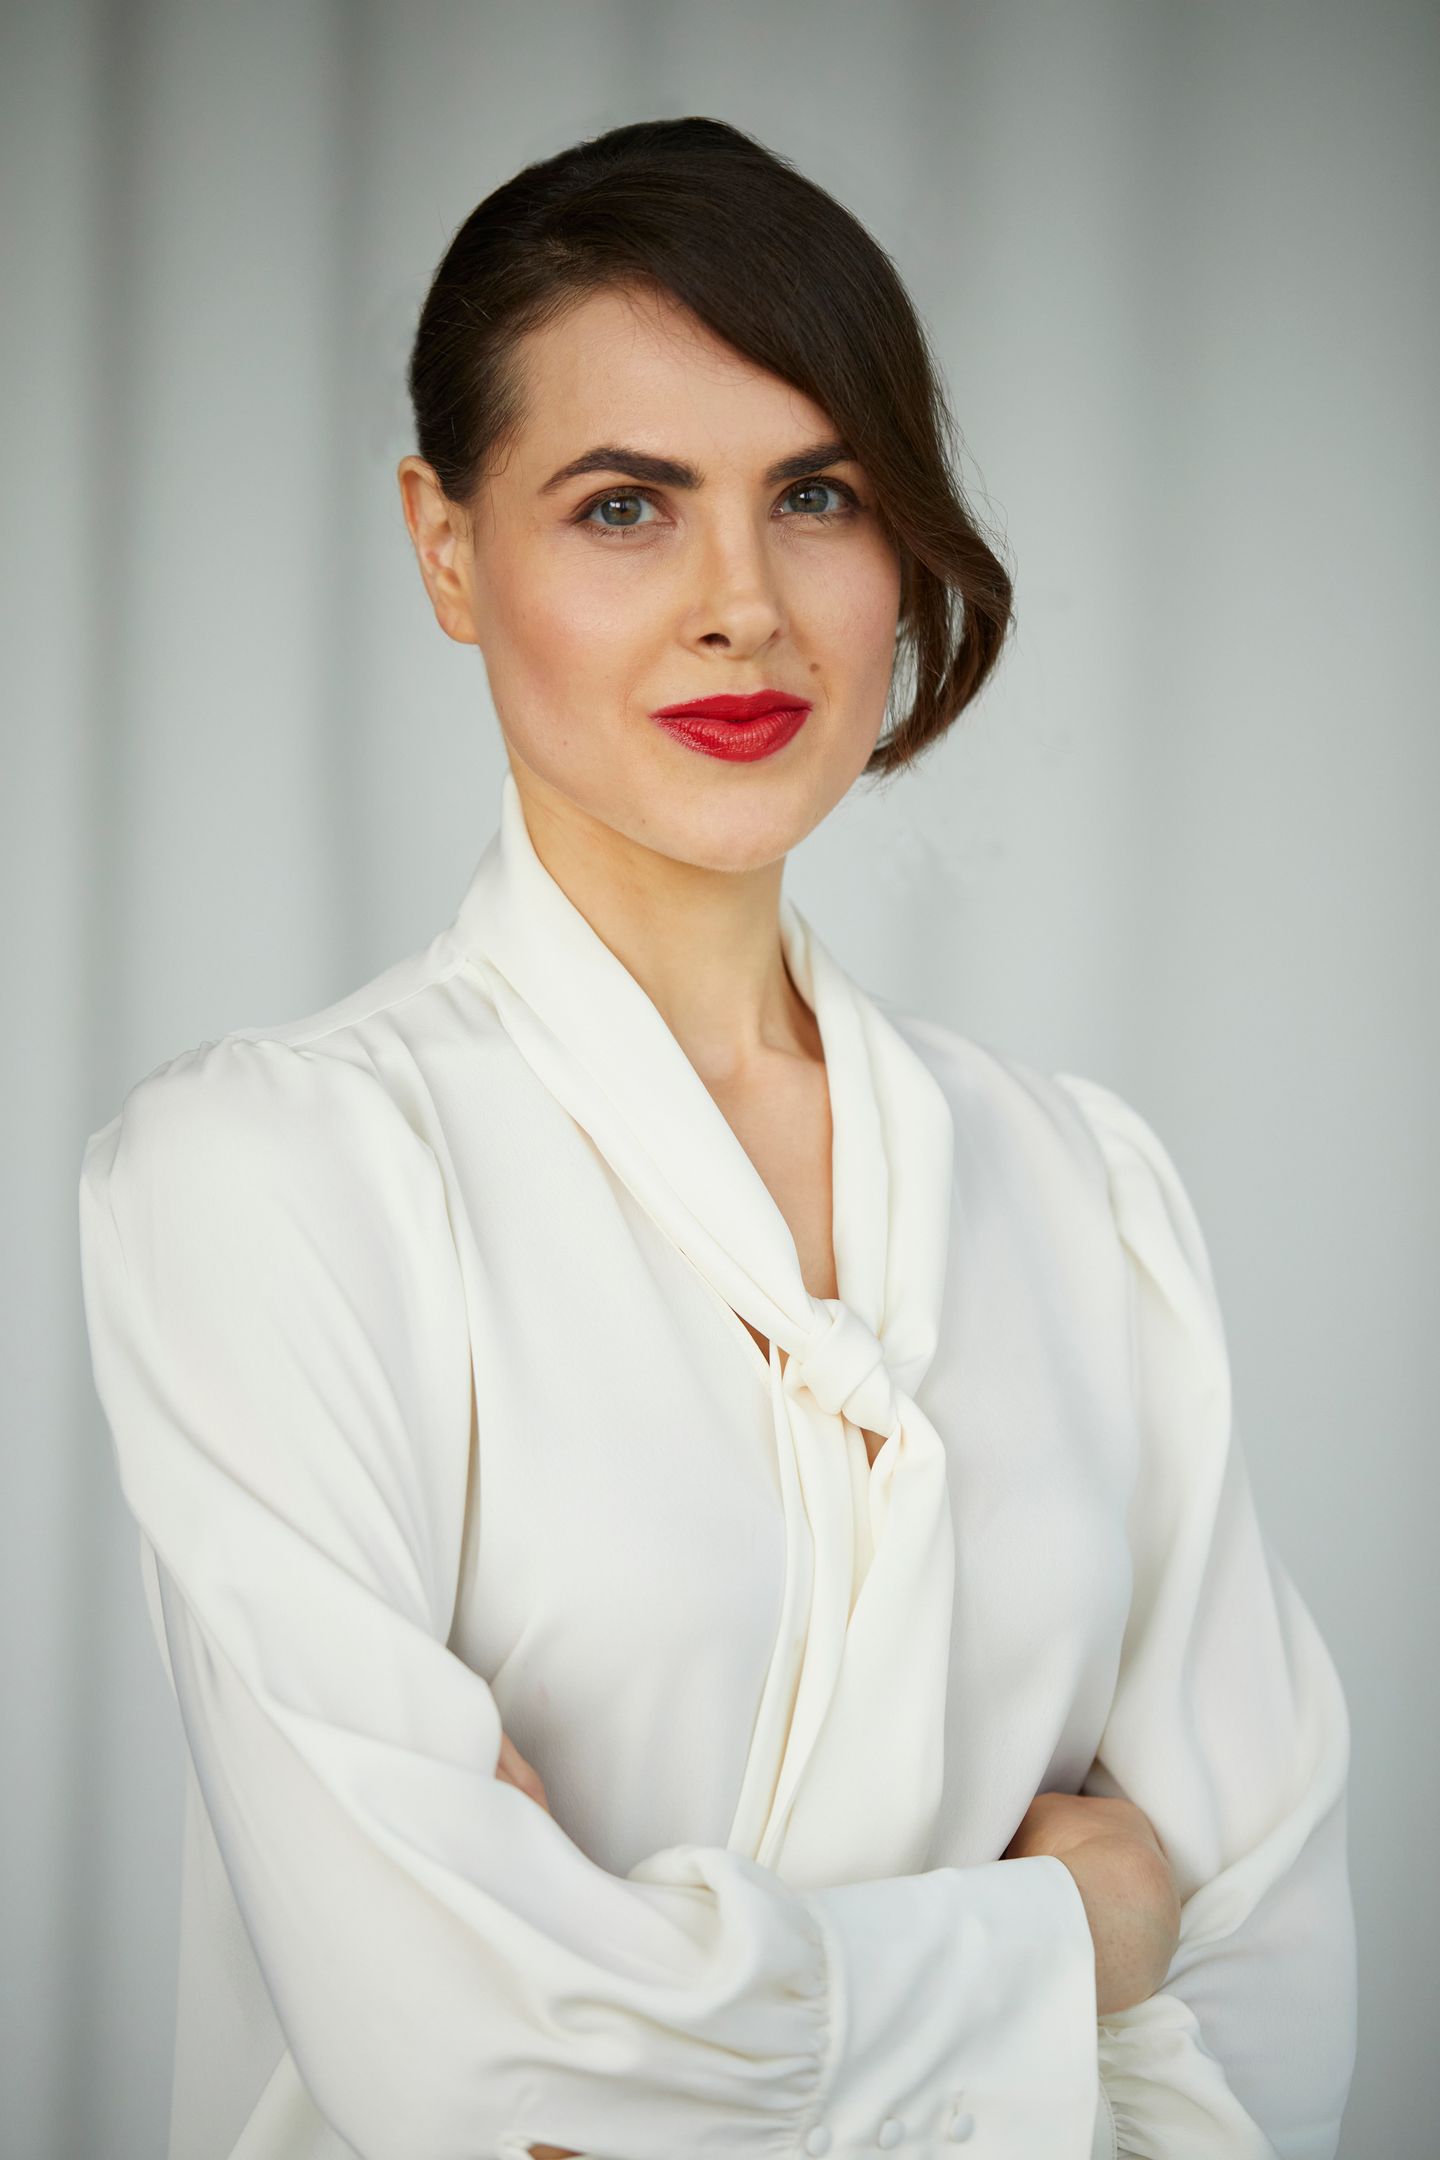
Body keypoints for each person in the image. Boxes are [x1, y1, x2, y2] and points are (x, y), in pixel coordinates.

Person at [77, 116, 1356, 2160]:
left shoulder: (1077, 1189)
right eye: (625, 507)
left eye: (817, 496)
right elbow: (478, 2058)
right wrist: (1062, 1941)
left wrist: (658, 1980)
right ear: (444, 546)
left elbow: (1268, 2007)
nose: (742, 606)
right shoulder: (278, 1183)